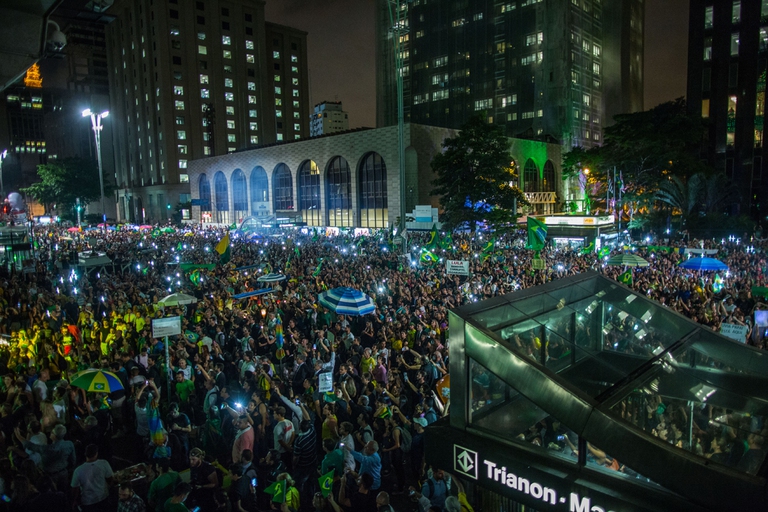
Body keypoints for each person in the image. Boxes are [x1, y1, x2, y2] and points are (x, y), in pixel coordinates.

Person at [17, 423, 75, 493]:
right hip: (64, 473)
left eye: (52, 432)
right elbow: (73, 460)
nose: (50, 433)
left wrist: (18, 435)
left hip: (51, 476)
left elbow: (30, 445)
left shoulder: (47, 449)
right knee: (64, 492)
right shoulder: (69, 444)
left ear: (54, 436)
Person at [70, 444, 114, 512]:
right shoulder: (104, 463)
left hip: (88, 502)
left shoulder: (78, 470)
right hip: (103, 497)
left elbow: (75, 489)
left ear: (85, 454)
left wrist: (74, 501)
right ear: (96, 453)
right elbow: (110, 480)